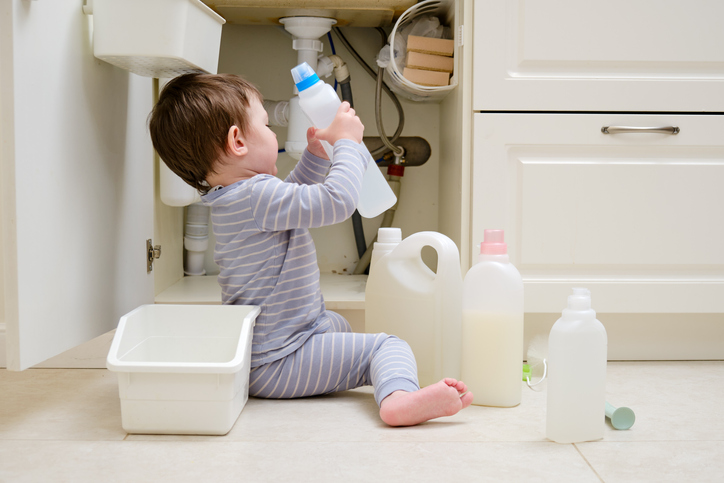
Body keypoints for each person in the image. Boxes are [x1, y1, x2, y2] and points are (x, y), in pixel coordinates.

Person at [149, 73, 473, 426]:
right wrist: (348, 144)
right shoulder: (256, 195)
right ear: (237, 141)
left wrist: (317, 157)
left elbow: (290, 204)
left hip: (268, 352)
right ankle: (400, 399)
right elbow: (337, 201)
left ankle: (361, 376)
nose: (274, 135)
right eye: (267, 125)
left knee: (337, 324)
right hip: (281, 360)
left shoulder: (236, 198)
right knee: (388, 346)